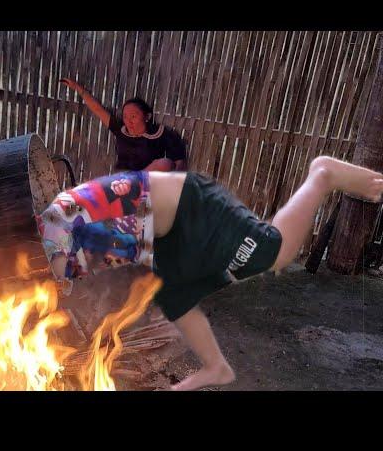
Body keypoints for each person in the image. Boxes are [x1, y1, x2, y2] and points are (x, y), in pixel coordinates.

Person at [38, 156, 383, 391]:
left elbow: (83, 261)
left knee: (272, 254)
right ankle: (215, 367)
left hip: (190, 208)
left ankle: (321, 175)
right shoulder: (53, 236)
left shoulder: (54, 233)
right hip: (163, 236)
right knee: (173, 296)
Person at [60, 78, 187, 172]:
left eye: (133, 116)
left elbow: (179, 162)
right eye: (125, 116)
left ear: (147, 117)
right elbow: (98, 110)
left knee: (165, 164)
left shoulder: (160, 134)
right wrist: (78, 89)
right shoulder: (121, 129)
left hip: (147, 182)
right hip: (123, 180)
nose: (128, 121)